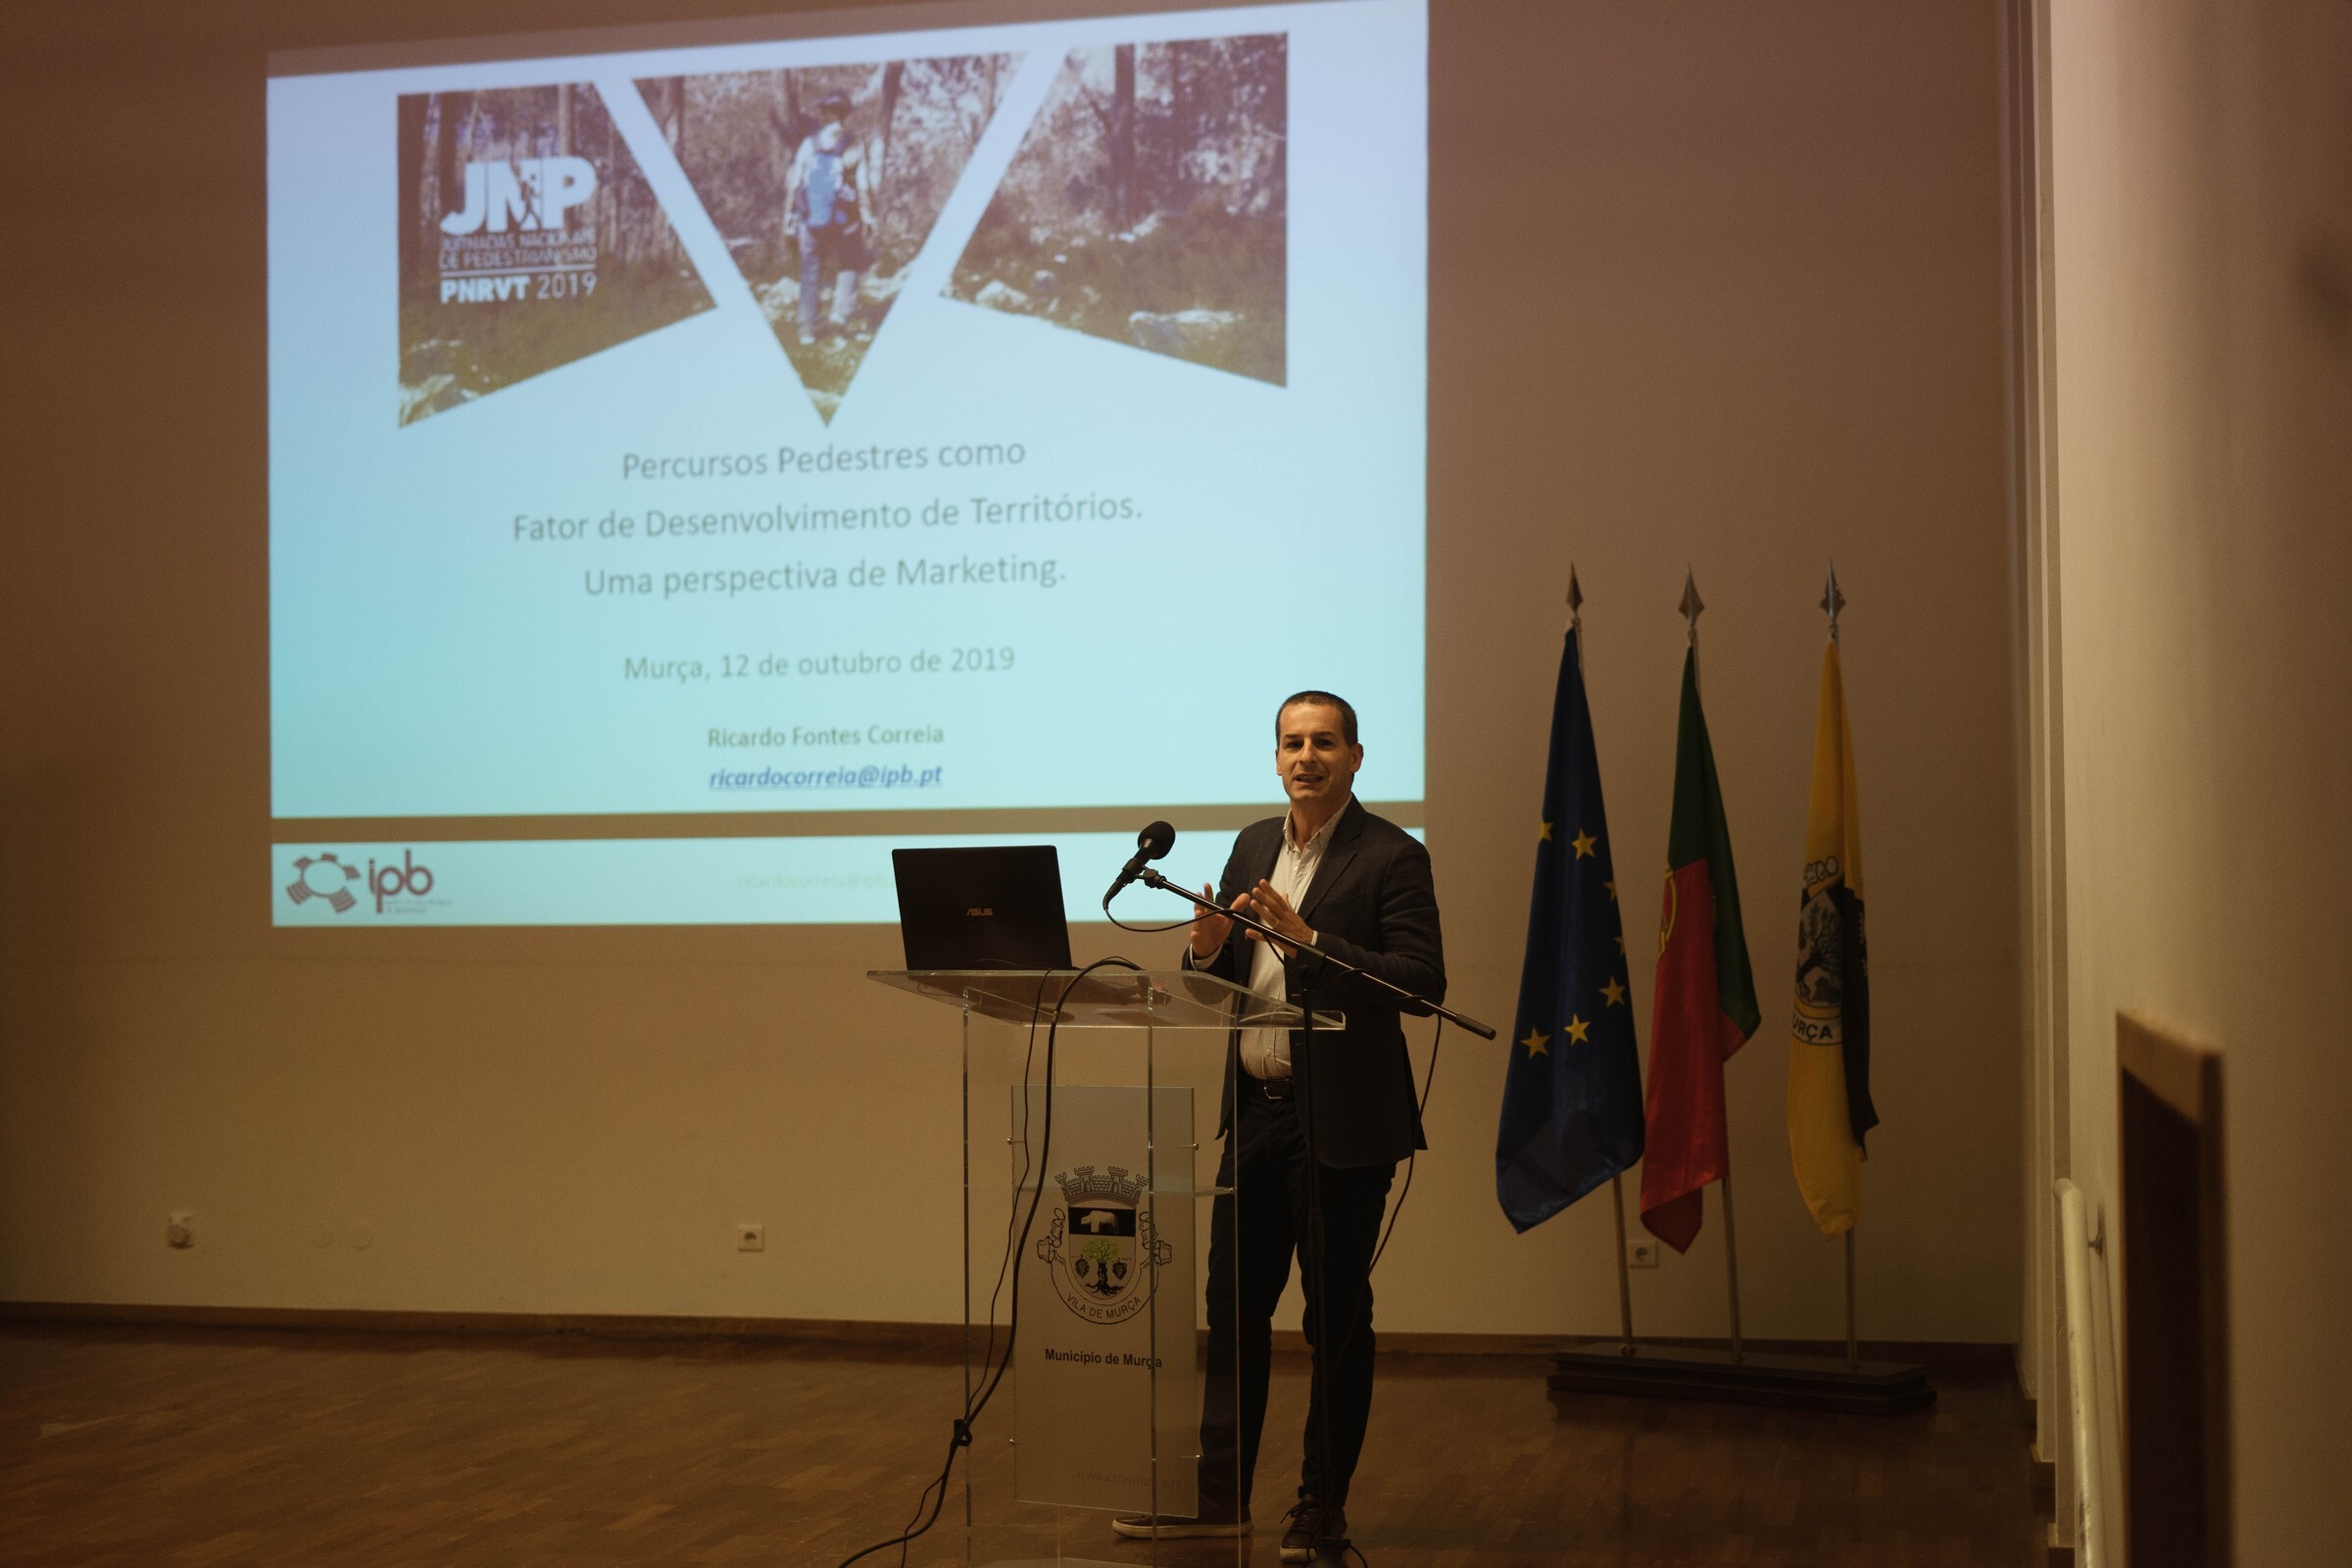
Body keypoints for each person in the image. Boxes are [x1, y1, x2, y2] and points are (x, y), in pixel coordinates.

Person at [1112, 691, 1446, 1562]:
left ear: (1355, 757)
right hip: (1253, 1117)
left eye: (1324, 742)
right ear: (1275, 759)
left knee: (1333, 1321)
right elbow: (1223, 978)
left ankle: (1320, 1507)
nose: (1307, 757)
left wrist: (1313, 945)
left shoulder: (1393, 855)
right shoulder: (1254, 844)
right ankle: (1217, 1497)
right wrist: (1205, 948)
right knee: (1231, 1314)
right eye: (1293, 743)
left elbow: (1422, 982)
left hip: (1340, 1123)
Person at [784, 92, 874, 346]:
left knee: (810, 269)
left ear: (825, 113)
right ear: (846, 115)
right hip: (845, 221)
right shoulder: (855, 145)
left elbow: (795, 182)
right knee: (850, 262)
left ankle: (807, 329)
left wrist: (789, 215)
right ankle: (839, 315)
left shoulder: (809, 144)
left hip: (811, 218)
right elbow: (863, 185)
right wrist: (868, 216)